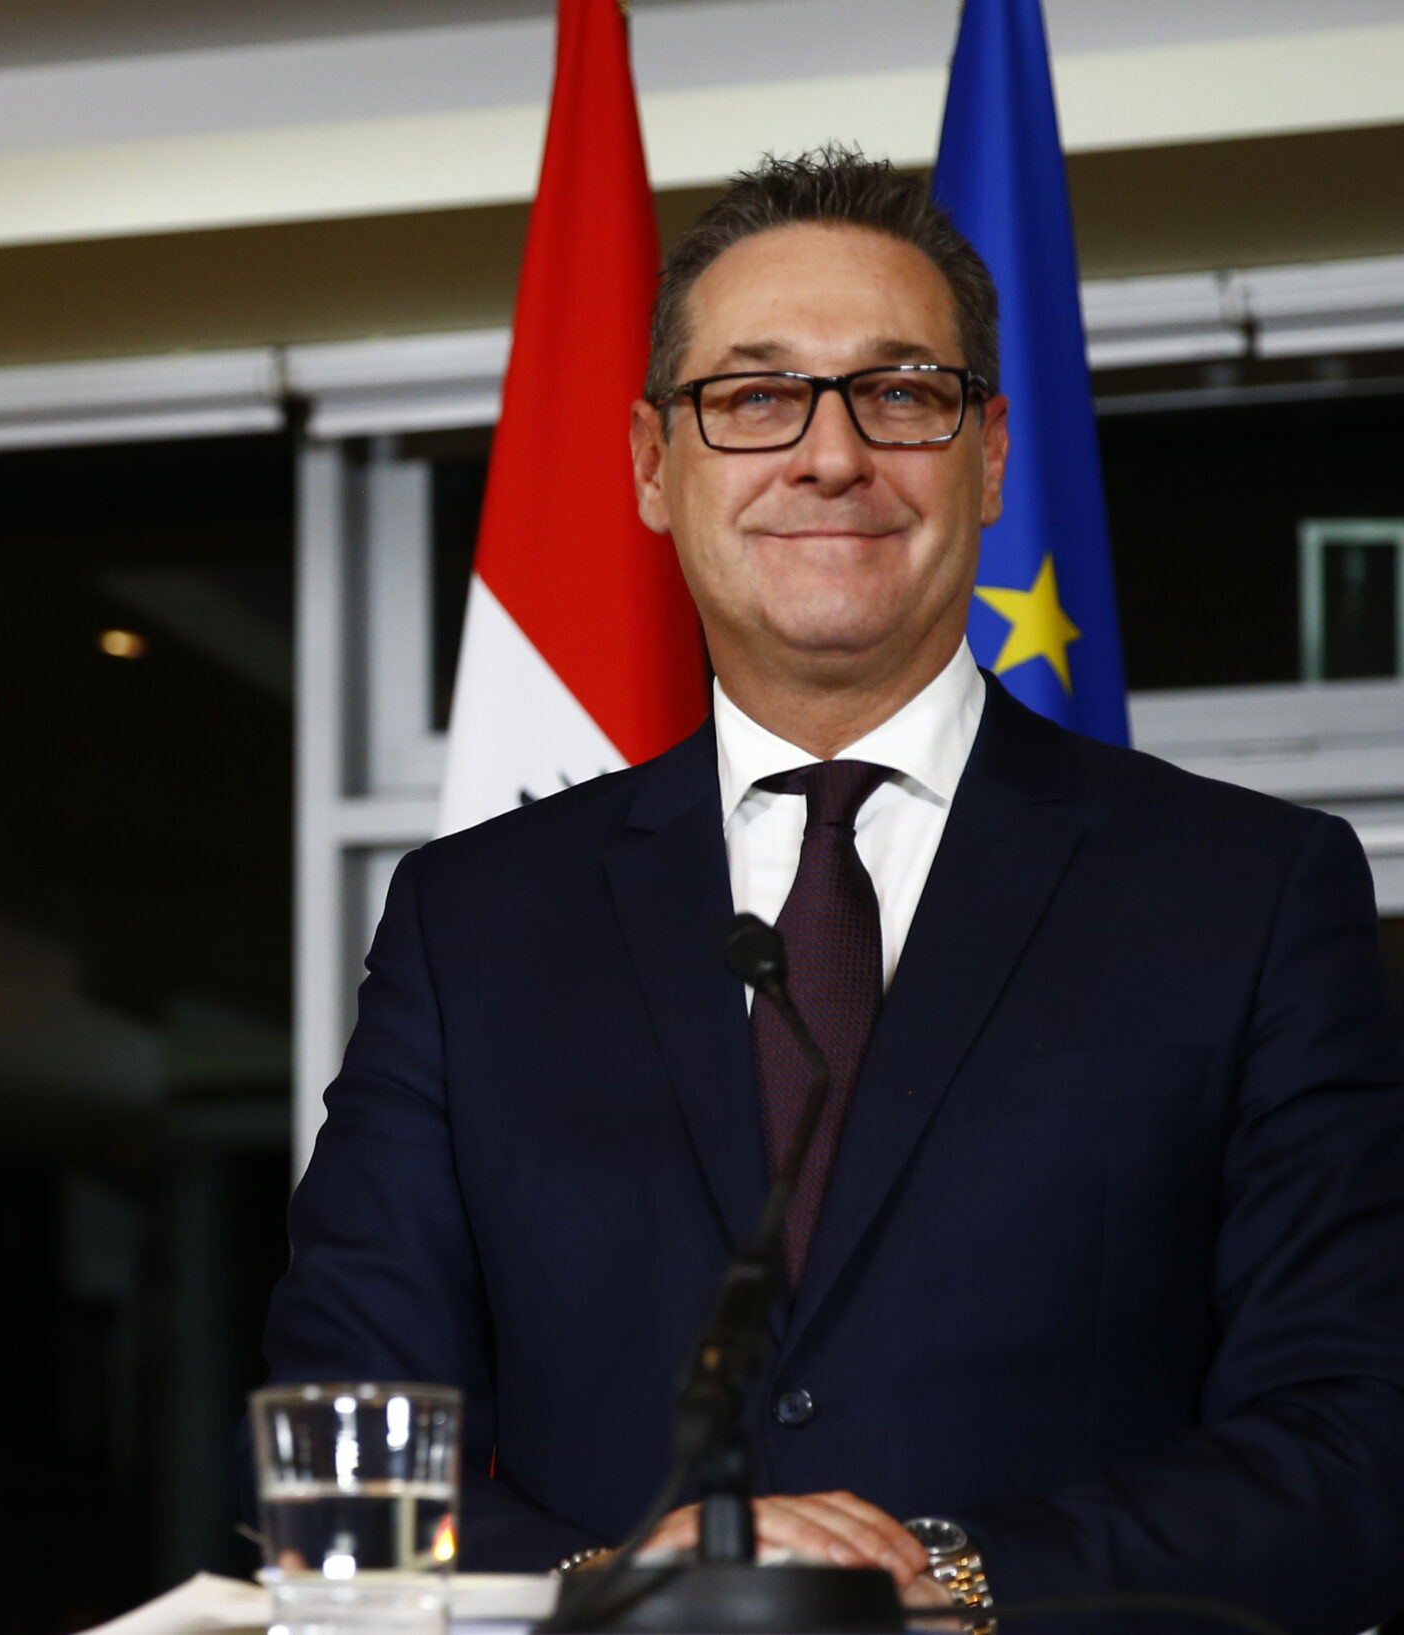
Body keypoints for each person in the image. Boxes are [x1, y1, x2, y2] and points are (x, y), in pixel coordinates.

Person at [262, 148, 1404, 1633]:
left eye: (901, 393)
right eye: (752, 398)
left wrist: (953, 1576)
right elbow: (334, 1434)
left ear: (990, 454)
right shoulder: (473, 924)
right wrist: (609, 1590)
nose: (829, 455)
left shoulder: (1249, 894)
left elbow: (1359, 1438)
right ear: (650, 468)